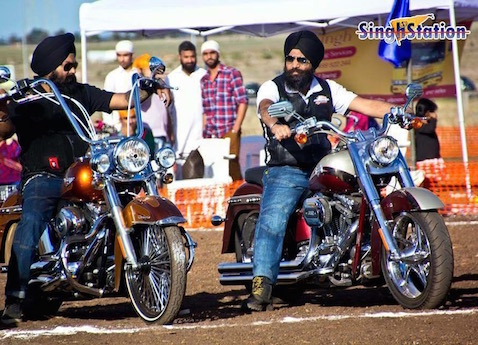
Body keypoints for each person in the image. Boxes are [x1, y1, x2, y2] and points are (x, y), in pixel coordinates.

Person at [0, 33, 164, 325]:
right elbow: (3, 131)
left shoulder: (80, 93)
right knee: (31, 222)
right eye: (67, 66)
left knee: (124, 194)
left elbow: (121, 101)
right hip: (43, 175)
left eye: (73, 65)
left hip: (83, 171)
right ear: (50, 67)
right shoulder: (27, 97)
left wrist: (146, 88)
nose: (72, 71)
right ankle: (15, 297)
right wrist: (3, 108)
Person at [244, 30, 397, 312]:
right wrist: (276, 124)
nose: (294, 65)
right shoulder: (273, 87)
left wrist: (400, 112)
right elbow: (265, 108)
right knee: (273, 218)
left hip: (321, 165)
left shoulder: (327, 90)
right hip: (286, 168)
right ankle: (261, 283)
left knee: (356, 198)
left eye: (301, 60)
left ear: (313, 64)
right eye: (290, 58)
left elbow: (365, 104)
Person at [200, 40, 248, 181]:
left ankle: (239, 196)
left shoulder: (231, 74)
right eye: (206, 54)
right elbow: (205, 109)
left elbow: (243, 101)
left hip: (228, 129)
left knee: (231, 167)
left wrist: (235, 129)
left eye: (212, 53)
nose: (209, 56)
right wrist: (204, 131)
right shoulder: (204, 80)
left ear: (218, 54)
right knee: (213, 170)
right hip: (210, 133)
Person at [165, 41, 206, 171]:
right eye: (186, 57)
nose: (190, 60)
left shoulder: (203, 75)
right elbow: (167, 109)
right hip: (180, 136)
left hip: (201, 135)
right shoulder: (171, 79)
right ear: (179, 57)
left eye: (192, 57)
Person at [133, 53, 173, 151]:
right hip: (148, 135)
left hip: (162, 134)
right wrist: (150, 84)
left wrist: (170, 132)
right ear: (140, 70)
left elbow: (166, 110)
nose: (152, 71)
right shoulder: (139, 85)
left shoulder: (160, 84)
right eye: (148, 68)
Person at [103, 40, 137, 130]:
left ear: (132, 55)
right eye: (119, 55)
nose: (122, 59)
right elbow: (106, 102)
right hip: (118, 127)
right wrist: (111, 126)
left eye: (125, 55)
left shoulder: (138, 74)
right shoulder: (112, 76)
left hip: (138, 125)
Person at [414, 98, 445, 182]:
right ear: (427, 112)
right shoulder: (417, 123)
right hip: (425, 161)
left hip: (433, 159)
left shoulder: (424, 123)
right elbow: (430, 129)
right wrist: (433, 119)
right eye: (432, 111)